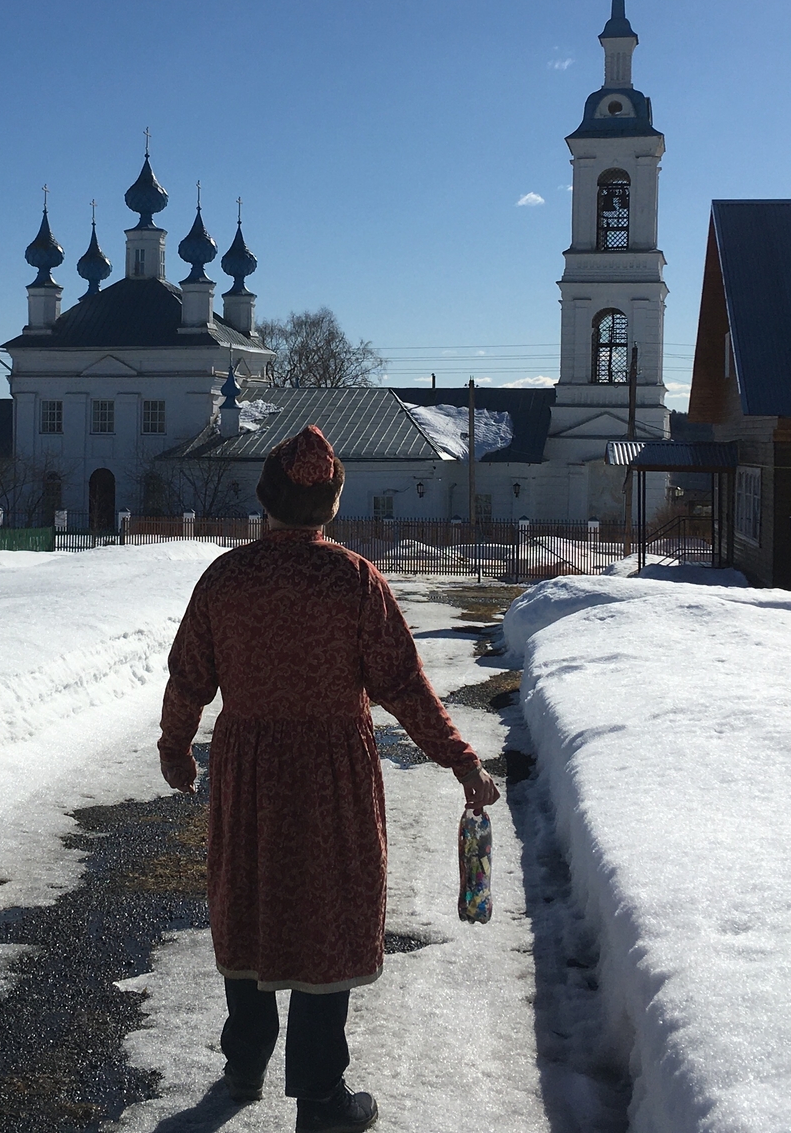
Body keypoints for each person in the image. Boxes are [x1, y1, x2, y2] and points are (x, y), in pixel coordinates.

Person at [159, 424, 500, 1132]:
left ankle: (245, 1063)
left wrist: (175, 747)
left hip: (247, 769)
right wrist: (461, 758)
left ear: (267, 499)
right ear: (331, 504)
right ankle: (319, 1097)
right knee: (326, 910)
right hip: (329, 775)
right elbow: (404, 685)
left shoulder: (227, 577)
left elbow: (189, 674)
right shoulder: (353, 580)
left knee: (246, 898)